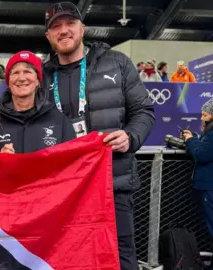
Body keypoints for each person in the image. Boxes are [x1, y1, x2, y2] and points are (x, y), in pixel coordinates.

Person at [41, 2, 155, 269]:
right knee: (68, 258)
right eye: (56, 26)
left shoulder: (117, 63)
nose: (64, 30)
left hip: (113, 184)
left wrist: (130, 136)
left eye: (70, 23)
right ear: (48, 36)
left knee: (119, 257)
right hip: (62, 189)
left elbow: (144, 111)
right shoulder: (41, 77)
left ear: (83, 28)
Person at [0, 51, 76, 153]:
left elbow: (72, 163)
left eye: (28, 72)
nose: (21, 78)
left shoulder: (59, 121)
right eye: (15, 73)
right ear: (8, 82)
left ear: (37, 81)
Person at [181, 98, 213, 240]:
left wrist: (190, 140)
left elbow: (202, 154)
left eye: (205, 115)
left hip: (209, 188)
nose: (202, 118)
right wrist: (196, 139)